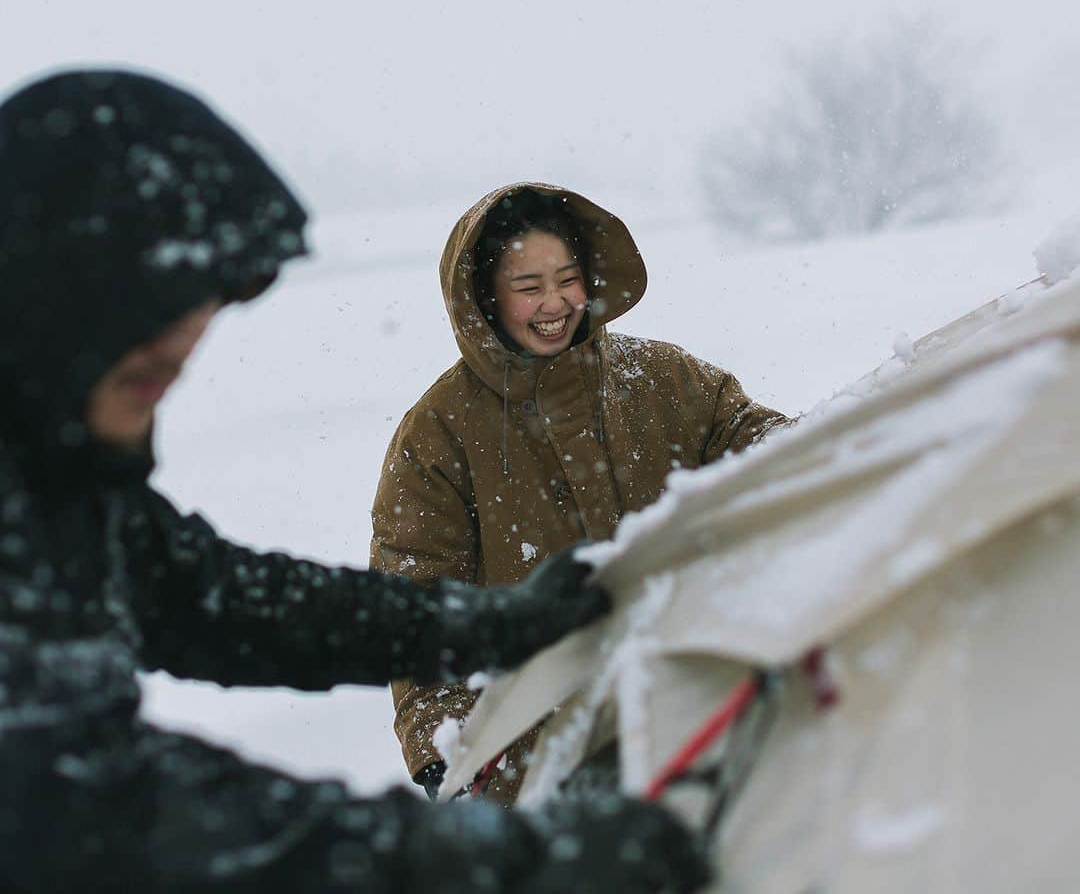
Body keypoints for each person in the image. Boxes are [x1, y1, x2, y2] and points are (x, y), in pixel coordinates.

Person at [0, 70, 709, 894]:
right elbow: (84, 808)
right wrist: (488, 858)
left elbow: (222, 599)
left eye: (204, 314)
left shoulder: (52, 481)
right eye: (151, 321)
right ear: (47, 290)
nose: (186, 348)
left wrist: (485, 623)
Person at [371, 184, 789, 802]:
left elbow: (766, 451)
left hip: (696, 713)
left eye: (567, 278)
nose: (555, 303)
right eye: (528, 286)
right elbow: (417, 600)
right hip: (538, 763)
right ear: (485, 296)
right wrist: (445, 747)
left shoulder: (662, 378)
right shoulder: (440, 433)